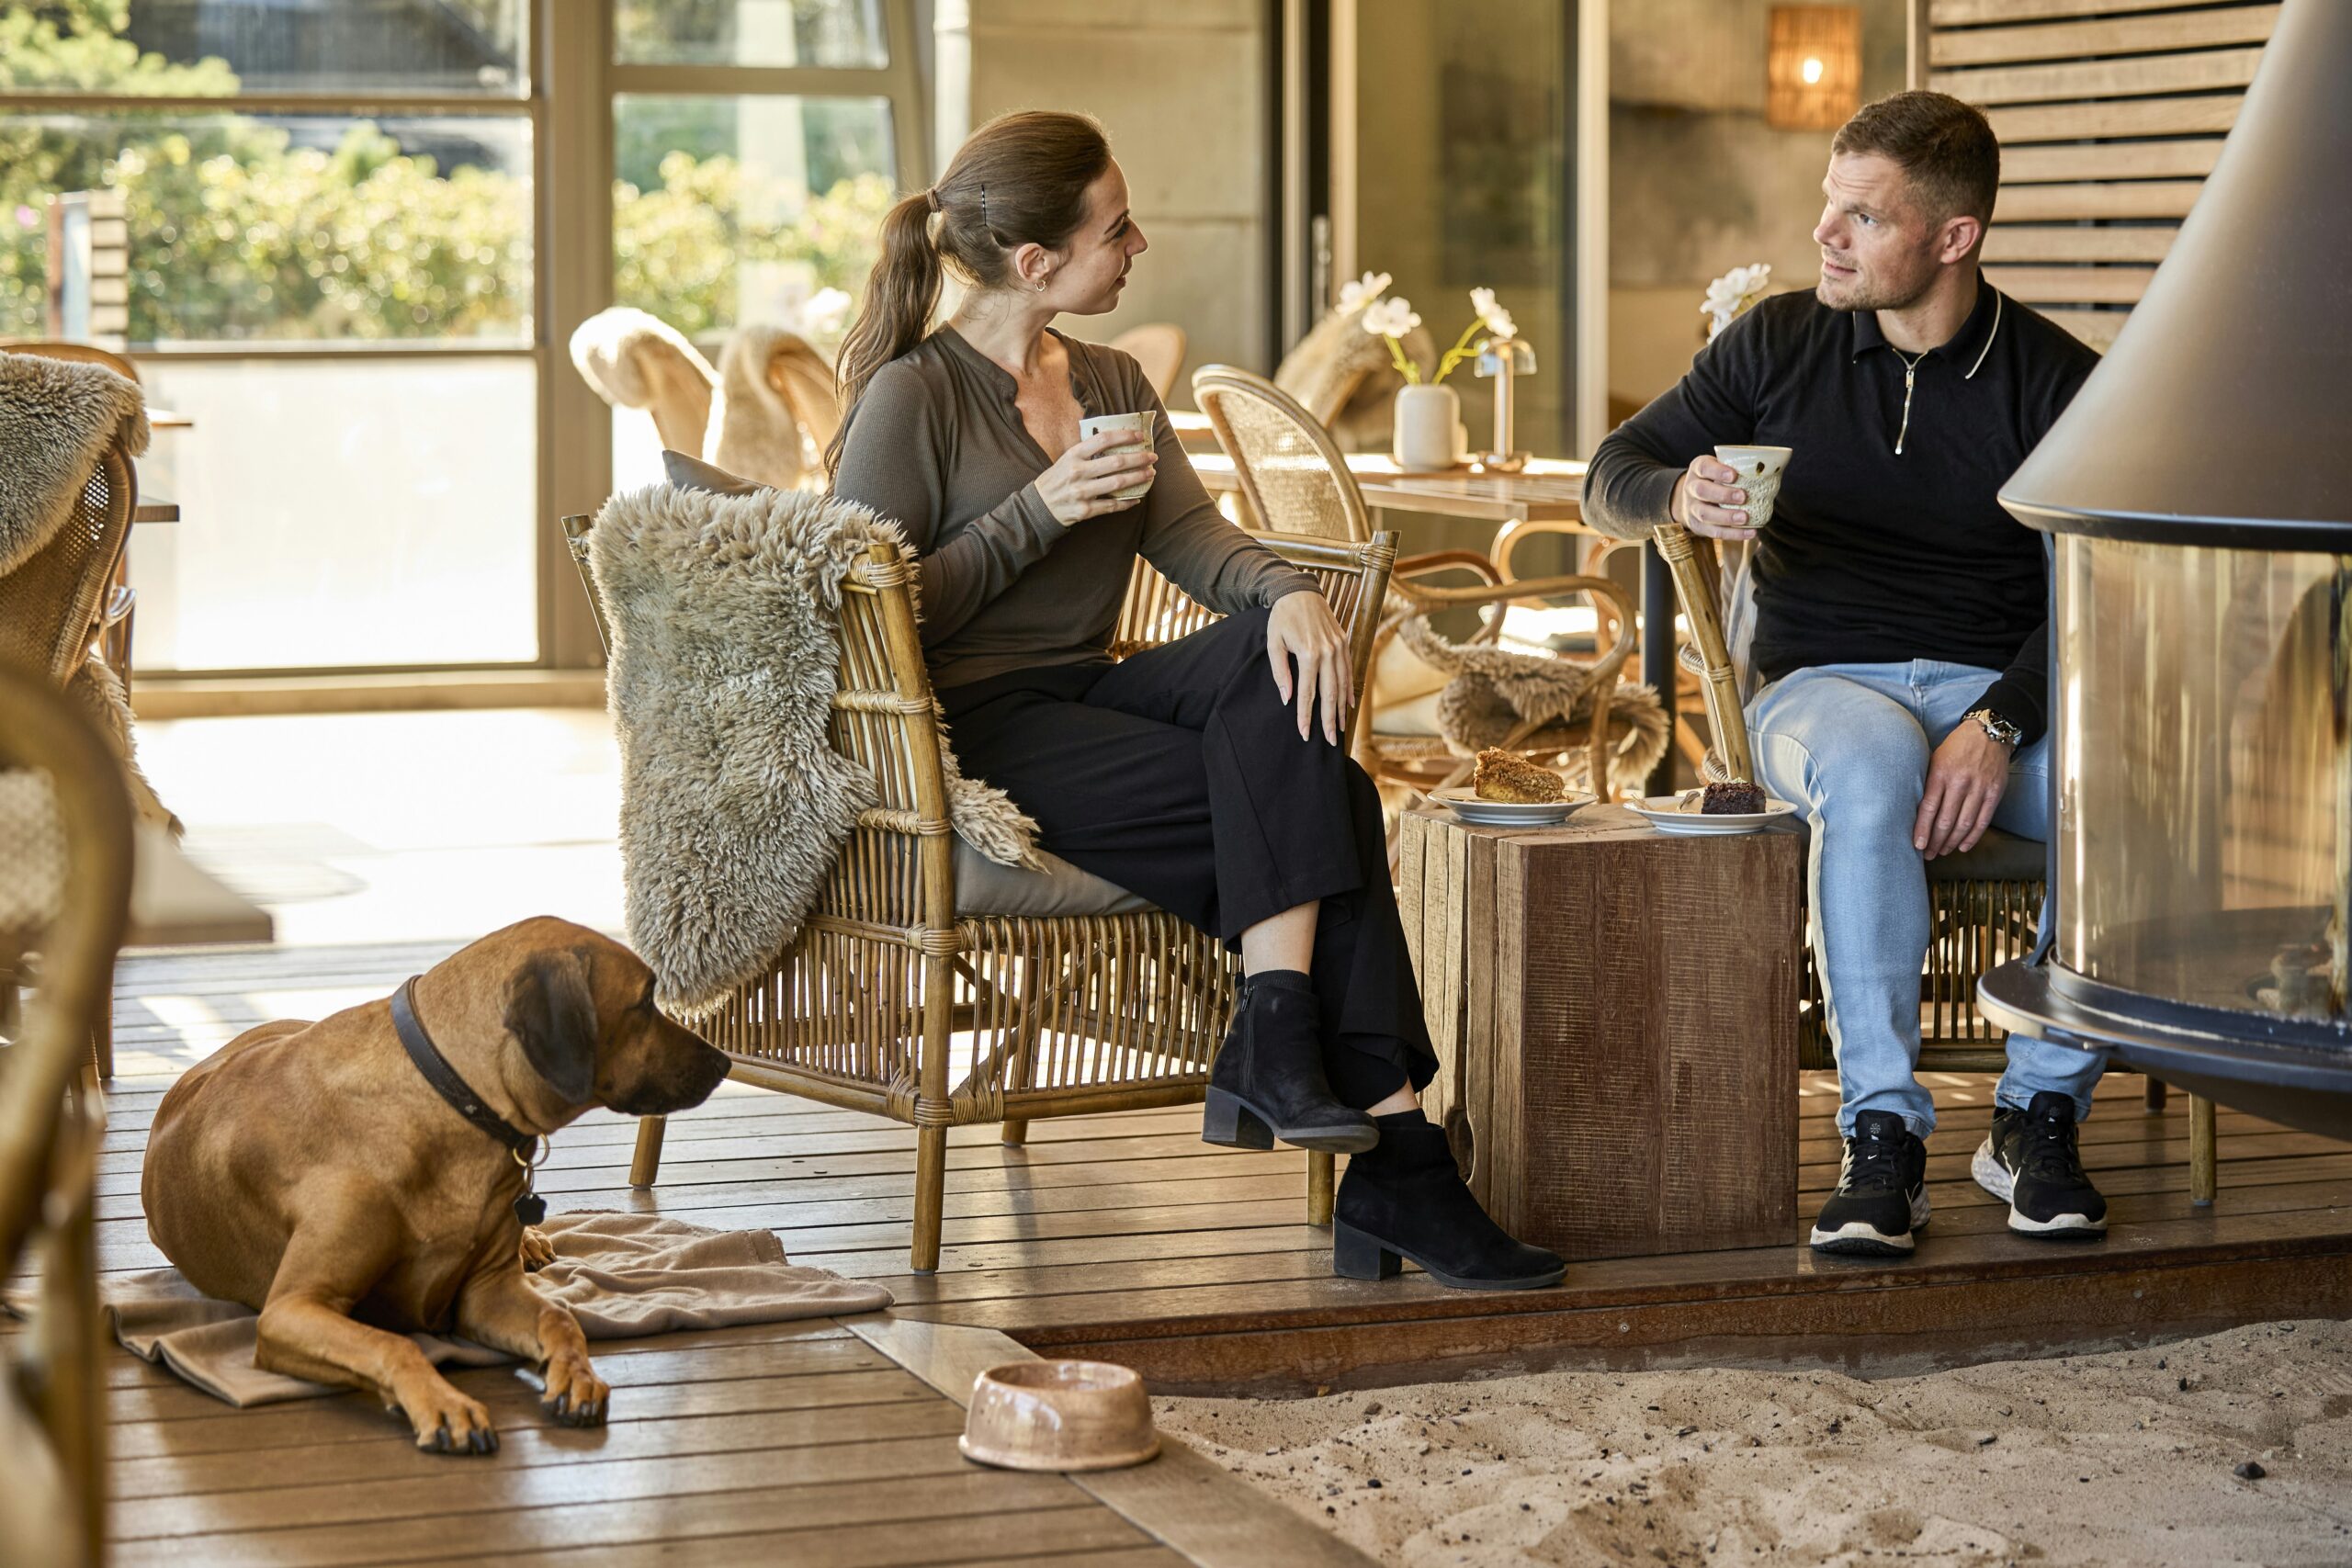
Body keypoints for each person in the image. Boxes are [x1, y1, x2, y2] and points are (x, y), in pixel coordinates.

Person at [826, 109, 1562, 1291]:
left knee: (1276, 662)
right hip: (969, 725)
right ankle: (1399, 1162)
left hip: (1095, 688)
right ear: (1037, 262)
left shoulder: (1111, 379)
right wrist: (1038, 512)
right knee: (1332, 799)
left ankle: (1278, 1030)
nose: (1138, 246)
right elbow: (872, 613)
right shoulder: (914, 398)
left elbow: (1189, 534)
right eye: (1115, 229)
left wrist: (1285, 595)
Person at [1584, 91, 2109, 1257]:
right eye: (1830, 205)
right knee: (1871, 763)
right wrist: (1675, 492)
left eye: (1862, 218)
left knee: (2117, 796)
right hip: (1818, 692)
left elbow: (2099, 583)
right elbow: (1610, 471)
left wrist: (2001, 721)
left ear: (1953, 237)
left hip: (1991, 697)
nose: (1825, 234)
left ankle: (2037, 1114)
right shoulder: (1777, 341)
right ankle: (1882, 1132)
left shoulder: (2055, 381)